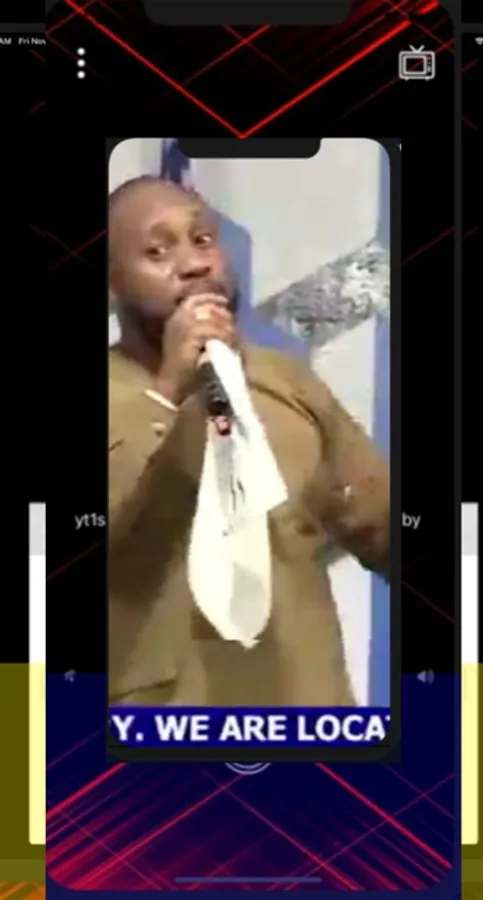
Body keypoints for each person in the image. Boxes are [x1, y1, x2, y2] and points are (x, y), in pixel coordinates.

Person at [108, 175, 390, 707]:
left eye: (202, 240)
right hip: (159, 729)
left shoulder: (287, 382)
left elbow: (383, 522)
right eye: (157, 251)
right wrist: (170, 389)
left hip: (307, 718)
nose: (194, 264)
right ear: (114, 282)